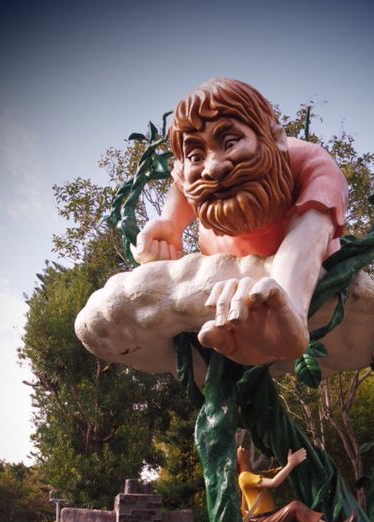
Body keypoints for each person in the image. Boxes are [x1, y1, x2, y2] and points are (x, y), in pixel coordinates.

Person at [131, 77, 349, 366]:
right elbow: (182, 182)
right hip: (223, 277)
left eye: (230, 142)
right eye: (196, 155)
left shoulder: (314, 166)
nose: (214, 168)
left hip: (288, 278)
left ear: (277, 138)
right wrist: (170, 224)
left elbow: (307, 236)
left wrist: (288, 308)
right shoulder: (193, 177)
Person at [237, 446, 357, 522]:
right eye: (238, 448)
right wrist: (291, 464)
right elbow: (274, 482)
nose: (242, 447)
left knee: (300, 517)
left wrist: (289, 463)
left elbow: (276, 472)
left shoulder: (254, 474)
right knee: (295, 507)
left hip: (266, 520)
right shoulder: (245, 476)